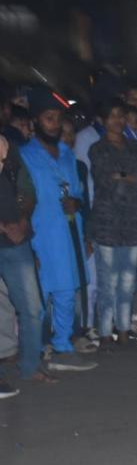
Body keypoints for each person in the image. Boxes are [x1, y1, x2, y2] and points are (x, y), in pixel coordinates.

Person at [19, 86, 97, 373]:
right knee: (38, 297)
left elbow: (77, 192)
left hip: (68, 233)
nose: (53, 124)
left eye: (57, 118)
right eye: (48, 118)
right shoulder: (24, 155)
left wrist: (76, 203)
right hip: (40, 235)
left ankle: (63, 347)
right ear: (36, 121)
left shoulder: (67, 154)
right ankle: (36, 350)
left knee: (66, 291)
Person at [87, 99, 137, 346]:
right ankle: (106, 332)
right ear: (102, 120)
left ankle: (125, 328)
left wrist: (125, 176)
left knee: (128, 281)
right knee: (108, 281)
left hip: (133, 221)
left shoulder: (136, 148)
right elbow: (106, 180)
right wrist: (130, 179)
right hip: (107, 222)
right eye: (112, 116)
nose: (117, 120)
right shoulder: (97, 149)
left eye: (120, 115)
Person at [0, 134, 53, 393]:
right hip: (6, 233)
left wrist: (22, 222)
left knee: (31, 306)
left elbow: (28, 190)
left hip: (16, 240)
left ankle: (30, 365)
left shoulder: (9, 149)